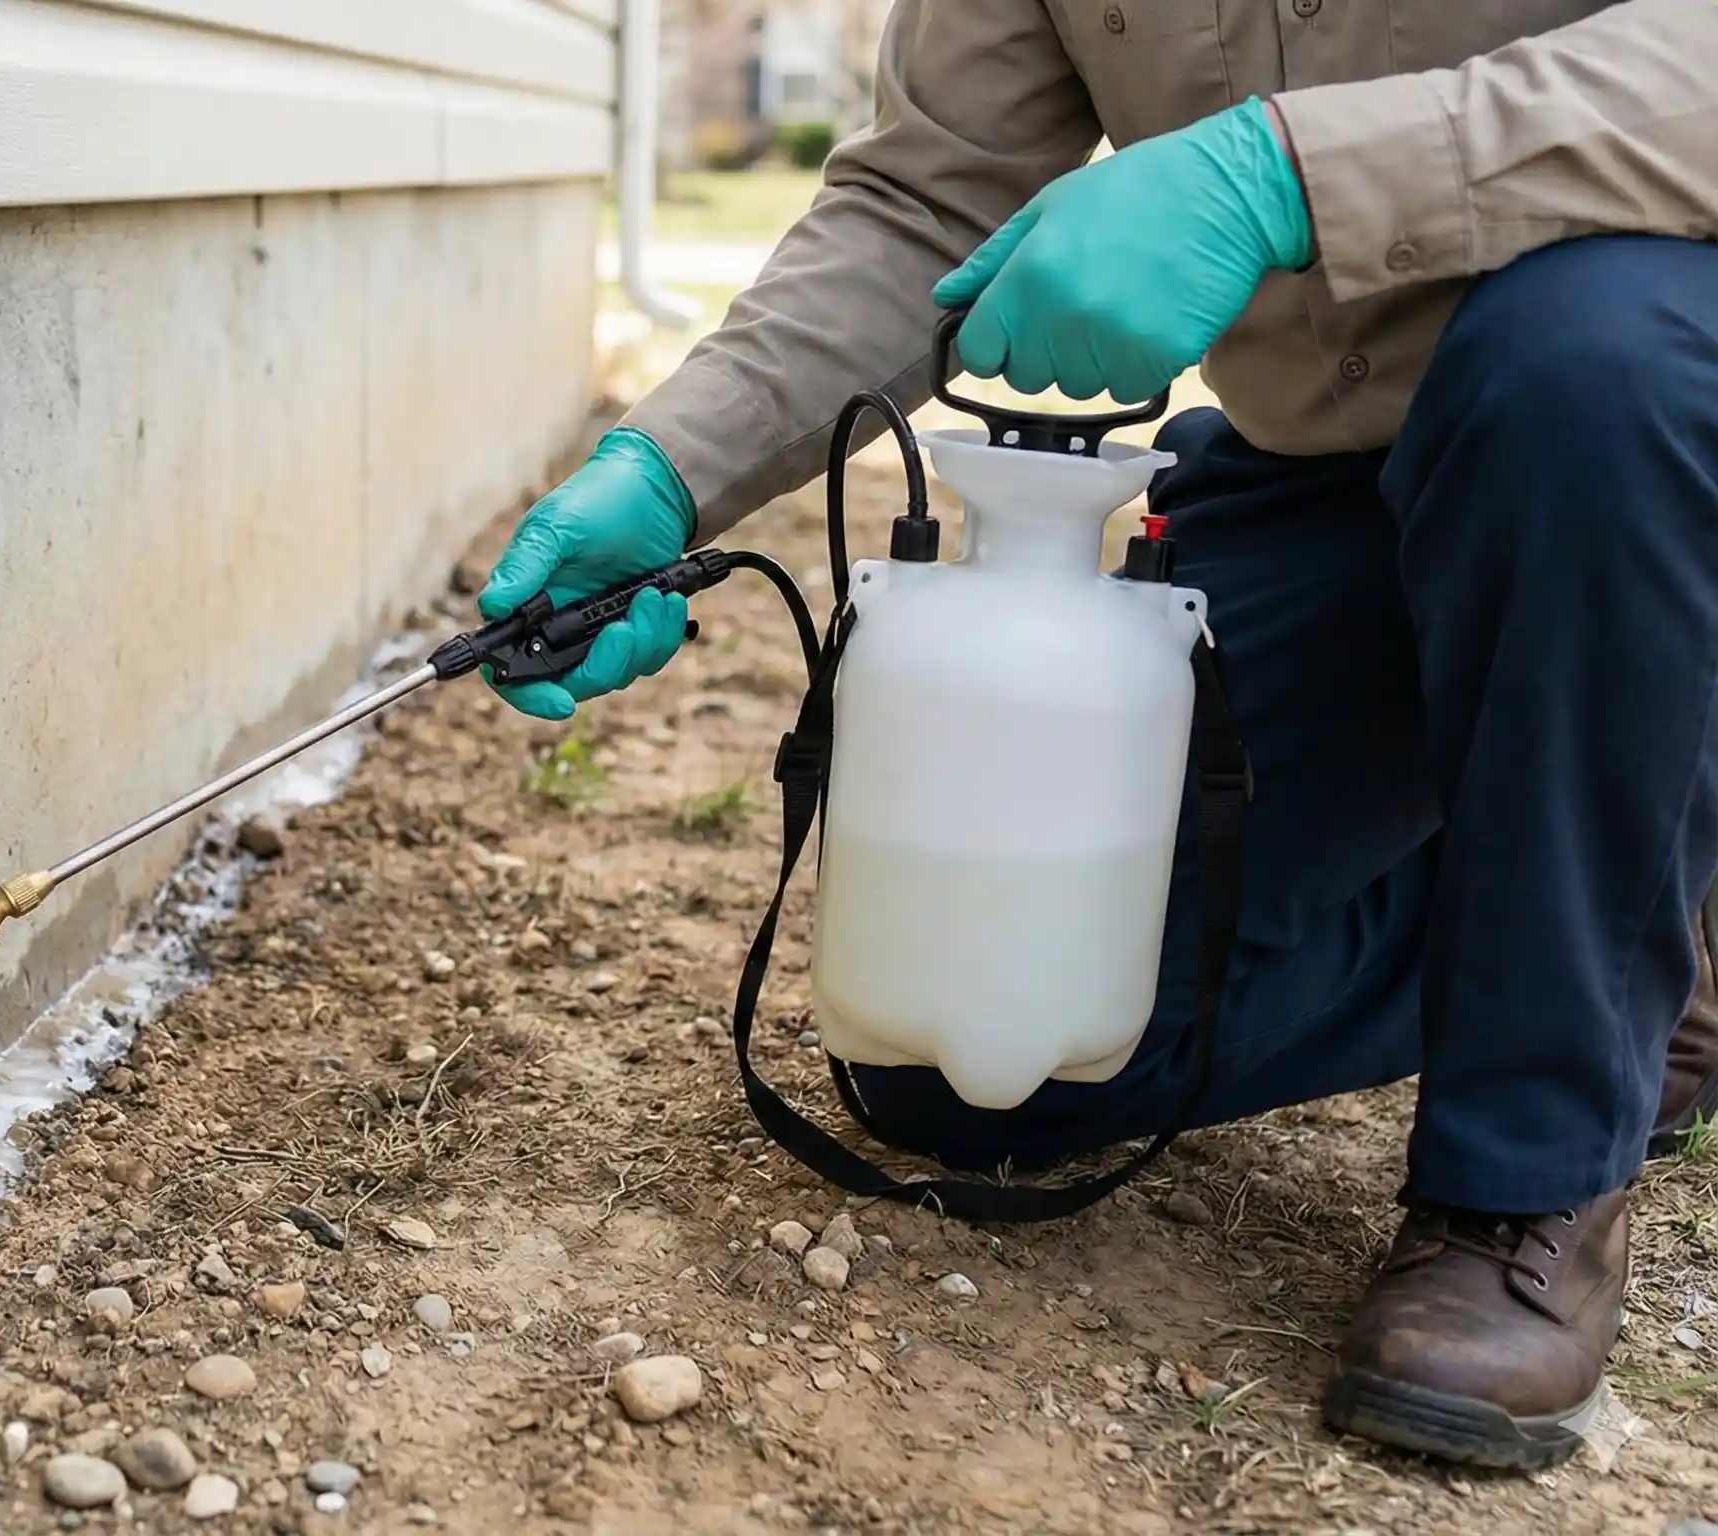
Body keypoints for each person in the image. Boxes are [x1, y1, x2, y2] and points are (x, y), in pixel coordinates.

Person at [485, 0, 1718, 1470]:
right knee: (981, 1050)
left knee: (1584, 365)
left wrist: (1290, 174)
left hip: (1642, 424)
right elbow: (929, 201)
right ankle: (1660, 911)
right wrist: (674, 474)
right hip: (1335, 462)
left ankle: (1533, 1172)